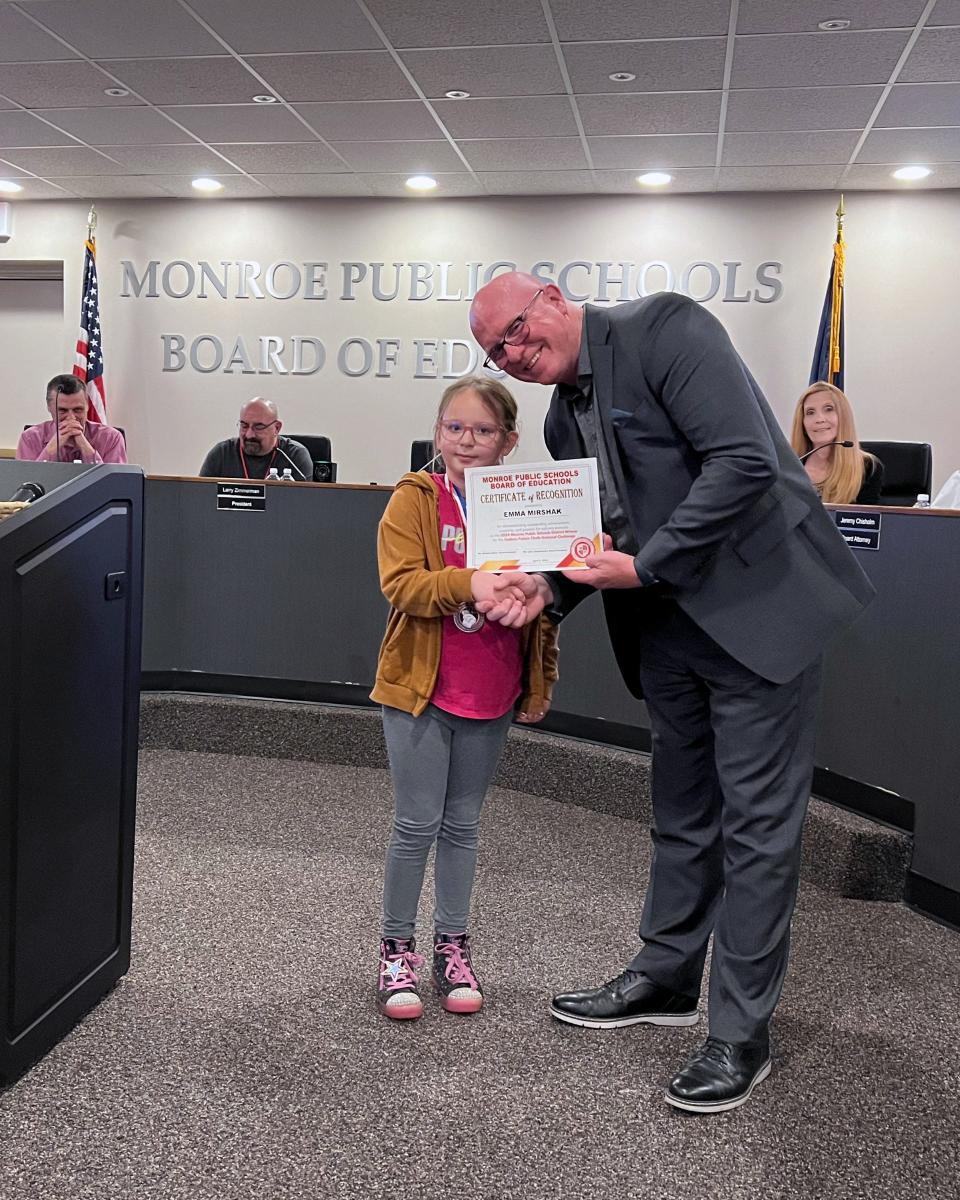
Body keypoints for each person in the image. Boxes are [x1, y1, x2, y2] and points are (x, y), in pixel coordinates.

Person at [468, 272, 874, 1113]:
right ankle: (665, 977)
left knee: (758, 831)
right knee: (683, 813)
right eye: (494, 354)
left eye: (512, 333)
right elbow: (602, 529)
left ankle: (739, 1036)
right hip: (666, 633)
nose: (511, 356)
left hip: (760, 616)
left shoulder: (667, 330)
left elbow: (745, 462)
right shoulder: (556, 414)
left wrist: (646, 565)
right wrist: (550, 587)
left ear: (549, 296)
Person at [370, 375, 558, 1021]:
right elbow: (402, 586)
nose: (467, 441)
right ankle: (396, 952)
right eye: (455, 427)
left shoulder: (528, 501)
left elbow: (545, 605)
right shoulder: (414, 498)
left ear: (508, 440)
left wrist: (542, 680)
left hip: (494, 688)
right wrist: (471, 582)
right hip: (421, 689)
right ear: (437, 431)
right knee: (416, 824)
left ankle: (453, 946)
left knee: (463, 826)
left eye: (482, 431)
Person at [790, 381, 883, 504]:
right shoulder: (788, 466)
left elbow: (868, 520)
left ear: (843, 417)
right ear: (802, 422)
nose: (819, 419)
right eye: (810, 412)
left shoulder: (867, 467)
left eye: (828, 409)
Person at [17, 374, 127, 464]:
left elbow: (115, 485)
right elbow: (26, 483)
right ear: (49, 407)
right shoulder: (30, 438)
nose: (71, 417)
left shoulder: (111, 438)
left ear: (87, 406)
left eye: (78, 410)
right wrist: (52, 448)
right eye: (63, 410)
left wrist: (85, 446)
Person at [198, 398, 312, 480]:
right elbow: (201, 498)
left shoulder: (295, 455)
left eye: (259, 427)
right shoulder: (221, 453)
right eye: (244, 425)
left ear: (277, 428)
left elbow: (307, 504)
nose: (249, 434)